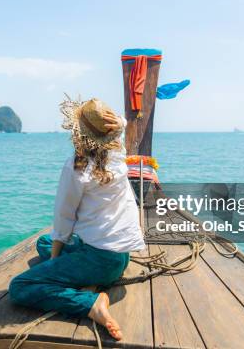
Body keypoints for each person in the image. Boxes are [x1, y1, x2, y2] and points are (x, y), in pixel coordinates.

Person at [9, 96, 145, 341]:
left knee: (20, 287)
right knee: (43, 242)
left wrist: (53, 264)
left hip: (100, 261)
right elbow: (120, 127)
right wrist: (121, 124)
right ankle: (88, 279)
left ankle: (91, 303)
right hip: (120, 258)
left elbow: (63, 219)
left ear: (77, 134)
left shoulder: (77, 166)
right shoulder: (117, 152)